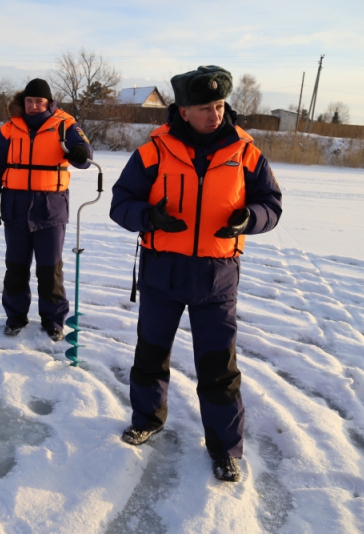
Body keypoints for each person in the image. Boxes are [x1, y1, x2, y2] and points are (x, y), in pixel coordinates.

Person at [109, 66, 282, 482]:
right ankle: (148, 418)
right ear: (183, 110)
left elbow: (271, 205)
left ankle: (225, 448)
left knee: (219, 369)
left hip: (217, 278)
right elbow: (120, 204)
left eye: (219, 106)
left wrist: (249, 219)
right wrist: (149, 217)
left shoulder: (246, 152)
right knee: (150, 356)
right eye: (205, 107)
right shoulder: (153, 151)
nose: (215, 115)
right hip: (161, 276)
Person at [0, 78, 93, 341]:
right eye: (29, 101)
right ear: (23, 102)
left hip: (51, 209)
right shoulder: (9, 129)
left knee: (50, 269)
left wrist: (79, 153)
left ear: (49, 102)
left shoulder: (65, 125)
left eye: (38, 101)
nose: (33, 106)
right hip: (15, 207)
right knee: (16, 267)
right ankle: (15, 317)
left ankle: (53, 320)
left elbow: (86, 154)